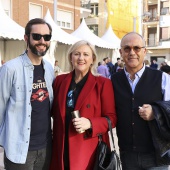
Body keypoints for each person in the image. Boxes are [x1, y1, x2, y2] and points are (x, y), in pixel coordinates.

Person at [50, 40, 117, 170]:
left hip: (88, 151)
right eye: (77, 54)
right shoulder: (59, 81)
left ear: (93, 59)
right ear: (71, 57)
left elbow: (112, 119)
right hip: (61, 149)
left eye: (86, 54)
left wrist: (91, 123)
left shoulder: (103, 84)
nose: (81, 58)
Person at [0, 18, 54, 170]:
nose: (42, 41)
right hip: (18, 149)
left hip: (45, 147)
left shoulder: (49, 69)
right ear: (26, 38)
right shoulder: (10, 69)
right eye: (36, 36)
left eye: (47, 37)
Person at [111, 32, 170, 170]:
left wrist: (155, 113)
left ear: (144, 51)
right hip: (127, 156)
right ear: (121, 52)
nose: (132, 52)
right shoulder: (113, 80)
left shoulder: (162, 78)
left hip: (157, 156)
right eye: (127, 48)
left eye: (137, 48)